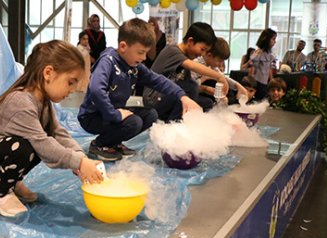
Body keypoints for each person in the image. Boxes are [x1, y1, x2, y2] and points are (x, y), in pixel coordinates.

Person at [0, 40, 103, 217]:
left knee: (38, 143)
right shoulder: (21, 102)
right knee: (28, 147)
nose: (73, 90)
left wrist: (81, 158)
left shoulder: (43, 101)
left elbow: (58, 133)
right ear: (48, 73)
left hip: (2, 144)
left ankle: (13, 182)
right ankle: (1, 193)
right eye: (70, 82)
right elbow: (43, 143)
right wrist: (80, 163)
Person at [78, 18, 202, 161]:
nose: (144, 58)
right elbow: (96, 90)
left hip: (112, 111)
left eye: (145, 53)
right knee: (134, 122)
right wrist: (115, 115)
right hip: (93, 116)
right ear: (123, 46)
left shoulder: (134, 66)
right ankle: (99, 145)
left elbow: (158, 81)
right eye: (141, 52)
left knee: (150, 115)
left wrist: (183, 97)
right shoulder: (108, 61)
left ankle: (113, 142)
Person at [143, 22, 228, 122]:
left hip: (166, 97)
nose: (202, 54)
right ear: (190, 41)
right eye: (202, 49)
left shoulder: (185, 59)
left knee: (204, 100)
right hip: (153, 98)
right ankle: (174, 125)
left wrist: (206, 89)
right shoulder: (172, 50)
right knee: (187, 92)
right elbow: (192, 66)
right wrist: (219, 77)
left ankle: (180, 122)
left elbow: (192, 87)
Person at [193, 38, 248, 111]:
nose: (221, 64)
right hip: (190, 95)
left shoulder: (211, 66)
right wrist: (204, 81)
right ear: (209, 55)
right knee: (208, 102)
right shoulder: (195, 64)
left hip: (201, 93)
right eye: (219, 61)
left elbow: (223, 77)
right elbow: (188, 86)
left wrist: (238, 86)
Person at [250, 28, 277, 100]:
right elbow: (253, 68)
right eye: (273, 39)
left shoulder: (269, 53)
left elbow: (269, 68)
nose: (275, 42)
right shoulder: (259, 52)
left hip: (265, 82)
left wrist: (271, 80)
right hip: (258, 82)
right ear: (267, 39)